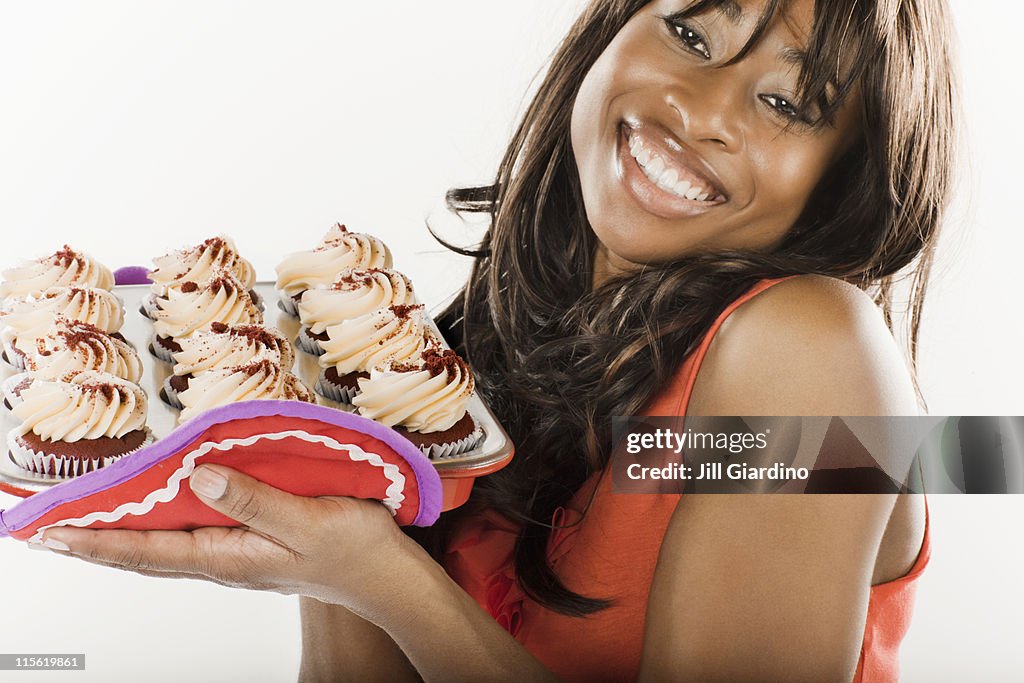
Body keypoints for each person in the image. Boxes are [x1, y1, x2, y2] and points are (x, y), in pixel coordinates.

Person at [35, 0, 956, 680]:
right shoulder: (507, 343)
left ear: (846, 181)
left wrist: (382, 578)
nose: (704, 110)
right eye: (689, 34)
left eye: (789, 104)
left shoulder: (811, 349)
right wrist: (313, 487)